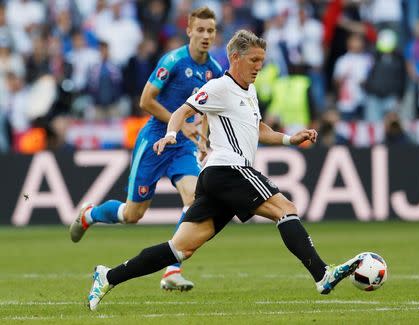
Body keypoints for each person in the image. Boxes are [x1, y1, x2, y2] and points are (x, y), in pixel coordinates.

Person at [86, 30, 362, 311]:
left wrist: (291, 139)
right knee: (285, 208)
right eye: (254, 59)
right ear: (235, 57)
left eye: (262, 60)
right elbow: (183, 110)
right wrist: (171, 134)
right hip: (229, 169)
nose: (259, 66)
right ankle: (322, 275)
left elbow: (258, 129)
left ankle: (108, 276)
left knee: (180, 248)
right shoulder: (219, 86)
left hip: (219, 179)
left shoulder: (249, 90)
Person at [70, 7, 222, 292]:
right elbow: (146, 100)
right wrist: (179, 127)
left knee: (194, 200)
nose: (205, 35)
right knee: (132, 215)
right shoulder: (173, 61)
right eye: (200, 30)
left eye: (210, 30)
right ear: (189, 30)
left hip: (182, 147)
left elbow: (209, 111)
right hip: (154, 140)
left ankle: (172, 270)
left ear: (215, 34)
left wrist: (204, 140)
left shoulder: (214, 70)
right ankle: (89, 214)